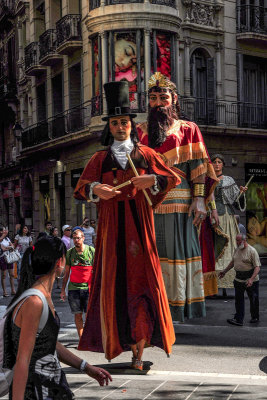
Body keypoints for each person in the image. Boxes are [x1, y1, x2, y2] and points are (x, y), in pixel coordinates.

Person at [74, 81, 178, 369]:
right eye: (116, 122)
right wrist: (96, 188)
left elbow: (172, 178)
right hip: (110, 235)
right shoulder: (99, 158)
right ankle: (117, 342)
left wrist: (153, 180)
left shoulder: (146, 155)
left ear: (132, 125)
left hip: (139, 232)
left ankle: (139, 352)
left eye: (125, 122)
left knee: (142, 285)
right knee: (114, 287)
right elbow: (81, 187)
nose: (121, 127)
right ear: (110, 127)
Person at [138, 72, 218, 321]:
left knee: (177, 255)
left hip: (181, 203)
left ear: (174, 100)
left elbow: (199, 169)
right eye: (153, 98)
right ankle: (151, 307)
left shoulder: (188, 129)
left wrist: (198, 200)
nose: (158, 102)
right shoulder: (140, 131)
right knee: (150, 256)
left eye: (163, 97)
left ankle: (177, 307)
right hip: (149, 203)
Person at [3, 236, 111, 399]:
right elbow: (22, 361)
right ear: (59, 261)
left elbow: (48, 342)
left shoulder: (41, 296)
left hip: (51, 385)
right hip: (38, 390)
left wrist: (86, 367)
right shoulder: (35, 301)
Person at [211, 154, 248, 296]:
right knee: (213, 248)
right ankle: (212, 285)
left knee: (229, 249)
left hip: (226, 217)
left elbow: (236, 201)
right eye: (214, 162)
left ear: (223, 165)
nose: (217, 164)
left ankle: (228, 283)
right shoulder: (207, 180)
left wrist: (241, 193)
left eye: (219, 162)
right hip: (211, 218)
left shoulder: (228, 180)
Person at [219, 234, 260, 326]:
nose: (237, 243)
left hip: (251, 279)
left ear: (244, 240)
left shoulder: (252, 251)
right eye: (236, 240)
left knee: (253, 299)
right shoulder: (237, 249)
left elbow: (257, 267)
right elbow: (233, 262)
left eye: (238, 241)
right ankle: (239, 319)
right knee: (238, 300)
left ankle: (255, 317)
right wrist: (224, 271)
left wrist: (251, 279)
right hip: (239, 279)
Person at [60, 226, 95, 338]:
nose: (76, 240)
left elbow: (98, 271)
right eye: (74, 238)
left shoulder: (91, 251)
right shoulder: (70, 253)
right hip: (74, 289)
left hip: (88, 288)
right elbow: (66, 273)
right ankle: (81, 338)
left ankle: (90, 337)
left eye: (78, 238)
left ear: (83, 238)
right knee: (77, 315)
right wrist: (62, 290)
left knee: (89, 315)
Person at [0, 227, 16, 297]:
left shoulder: (7, 238)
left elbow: (12, 246)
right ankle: (4, 291)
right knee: (4, 275)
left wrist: (9, 247)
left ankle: (13, 290)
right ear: (1, 232)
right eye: (4, 230)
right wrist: (8, 247)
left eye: (6, 230)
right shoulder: (1, 239)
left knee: (12, 274)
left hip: (9, 257)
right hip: (2, 258)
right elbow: (3, 249)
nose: (6, 231)